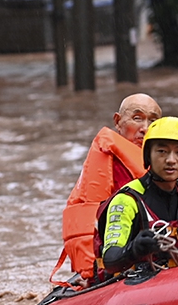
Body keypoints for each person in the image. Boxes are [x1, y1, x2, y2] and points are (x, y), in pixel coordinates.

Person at [53, 94, 163, 286]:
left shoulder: (159, 163)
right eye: (137, 118)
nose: (145, 128)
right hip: (112, 260)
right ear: (118, 122)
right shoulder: (111, 163)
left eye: (153, 121)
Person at [98, 117, 178, 274]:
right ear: (148, 155)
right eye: (162, 152)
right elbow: (110, 260)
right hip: (138, 285)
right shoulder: (126, 200)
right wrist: (134, 249)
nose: (171, 160)